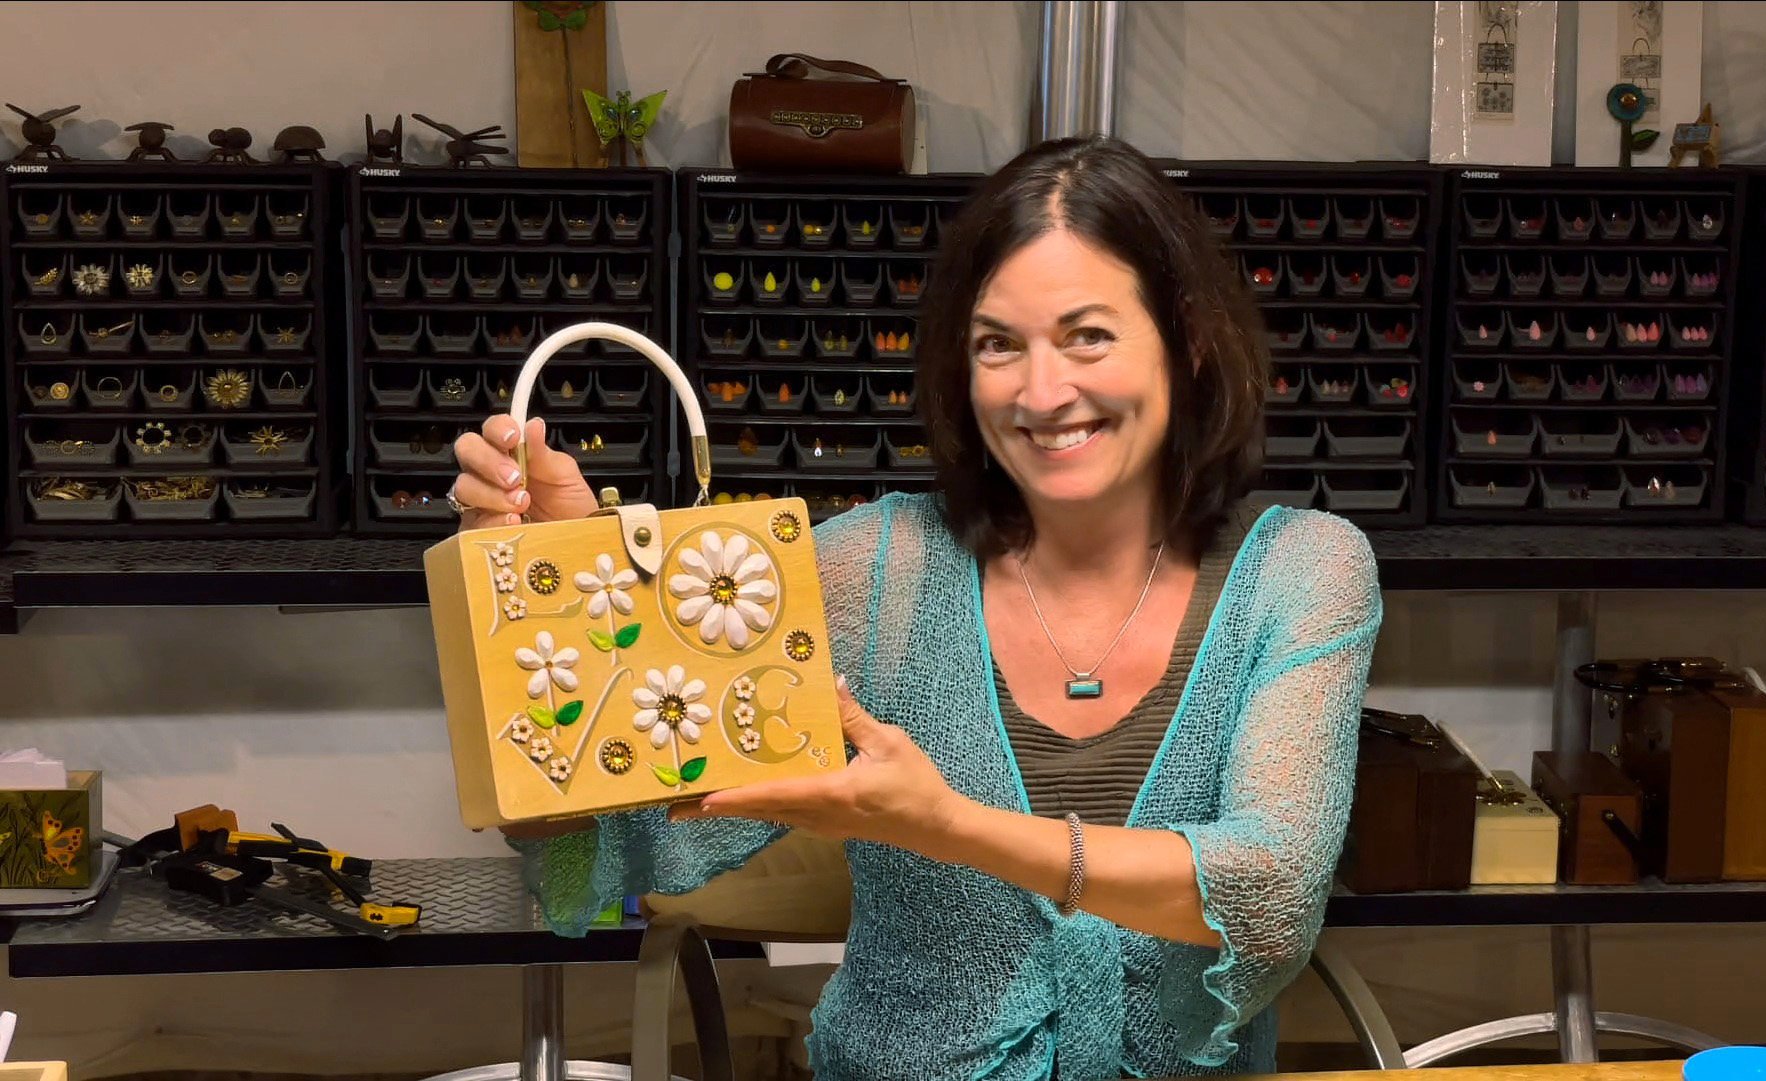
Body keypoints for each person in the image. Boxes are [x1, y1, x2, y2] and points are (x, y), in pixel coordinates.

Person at [449, 135, 1383, 1081]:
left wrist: (943, 824)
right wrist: (561, 597)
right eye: (998, 346)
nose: (1043, 390)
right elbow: (615, 827)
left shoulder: (1301, 573)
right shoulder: (876, 571)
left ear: (1184, 338)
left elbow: (1270, 889)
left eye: (1088, 335)